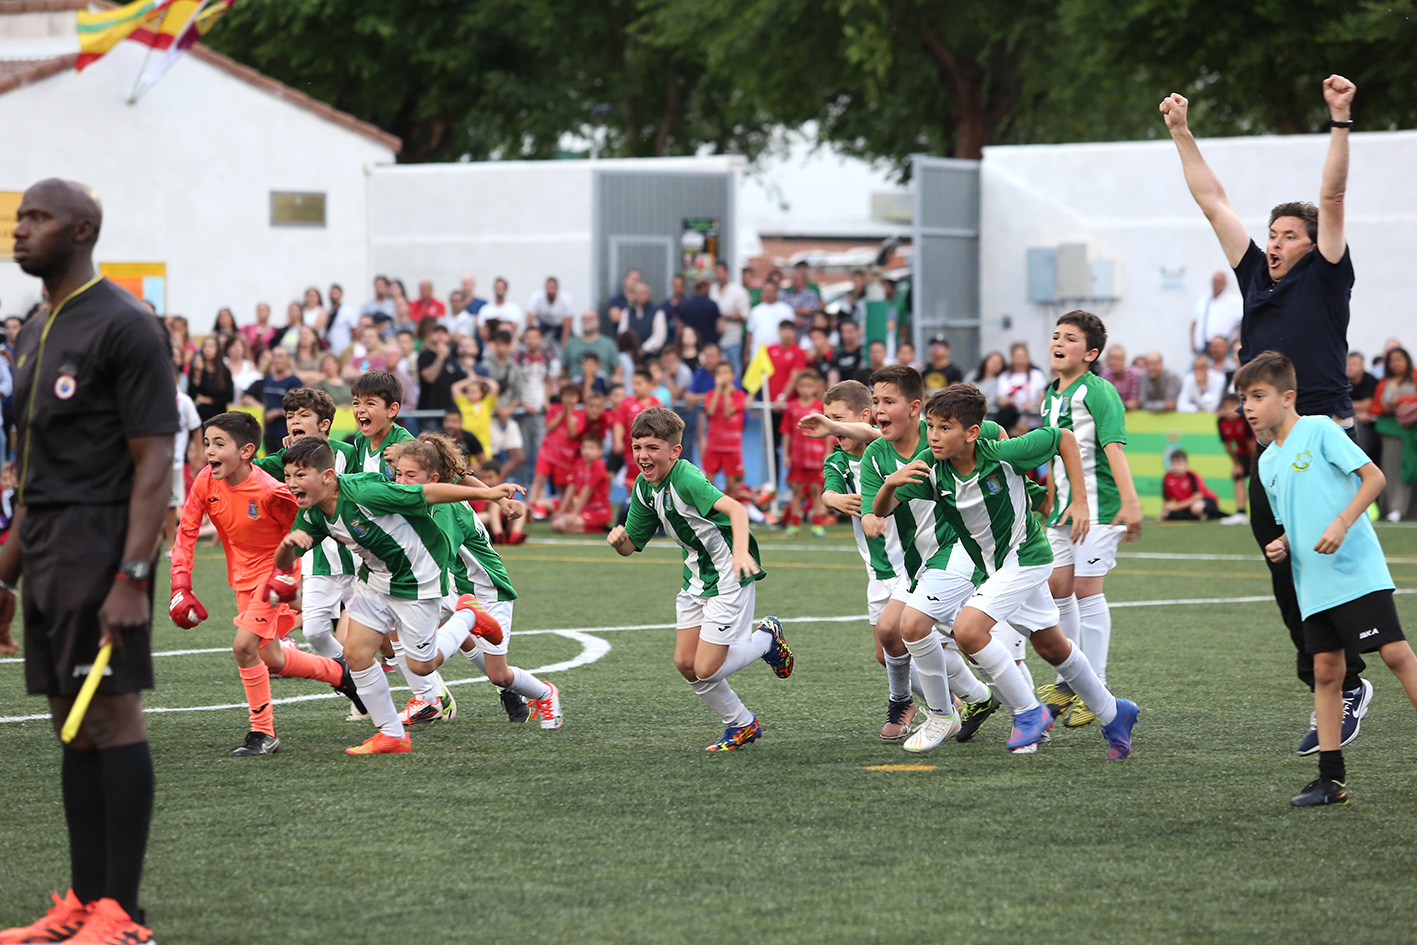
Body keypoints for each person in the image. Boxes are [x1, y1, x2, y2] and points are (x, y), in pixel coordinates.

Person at [1162, 74, 1373, 747]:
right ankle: (1330, 678)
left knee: (1323, 564)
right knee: (1283, 567)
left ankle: (1350, 678)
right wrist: (1180, 132)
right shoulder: (1255, 275)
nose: (1274, 243)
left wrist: (1339, 119)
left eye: (1287, 235)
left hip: (1322, 437)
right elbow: (1212, 200)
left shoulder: (1326, 274)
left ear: (1312, 243)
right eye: (1272, 234)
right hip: (1271, 449)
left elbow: (1331, 197)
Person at [0, 178, 177, 945]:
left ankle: (123, 915)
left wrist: (133, 575)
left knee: (110, 713)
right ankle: (81, 901)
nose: (20, 230)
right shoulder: (35, 327)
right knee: (70, 724)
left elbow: (154, 460)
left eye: (37, 218)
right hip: (44, 547)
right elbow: (34, 473)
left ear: (81, 230)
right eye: (19, 218)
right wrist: (4, 574)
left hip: (102, 545)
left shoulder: (127, 324)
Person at [873, 385, 1140, 758]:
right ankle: (1114, 712)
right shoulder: (931, 467)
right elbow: (881, 510)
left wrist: (1079, 500)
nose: (933, 435)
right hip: (995, 567)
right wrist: (890, 483)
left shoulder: (1004, 453)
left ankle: (1028, 712)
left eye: (945, 427)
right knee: (1051, 646)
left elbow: (1063, 438)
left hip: (1027, 556)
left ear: (972, 432)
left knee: (968, 629)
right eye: (930, 426)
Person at [1240, 351, 1417, 807]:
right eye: (1244, 399)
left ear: (1288, 397)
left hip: (1355, 568)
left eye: (1258, 396)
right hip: (1312, 581)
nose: (1249, 407)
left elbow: (1374, 478)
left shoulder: (1319, 429)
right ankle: (1330, 781)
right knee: (1326, 672)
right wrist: (1282, 543)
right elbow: (1294, 519)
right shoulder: (1267, 462)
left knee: (1395, 654)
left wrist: (1341, 524)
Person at [273, 438, 519, 754]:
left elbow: (426, 493)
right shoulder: (311, 513)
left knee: (422, 667)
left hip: (418, 575)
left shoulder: (363, 493)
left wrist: (488, 494)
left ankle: (469, 614)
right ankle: (392, 735)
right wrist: (287, 545)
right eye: (288, 476)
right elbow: (284, 561)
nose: (292, 483)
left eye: (300, 475)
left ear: (328, 476)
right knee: (356, 654)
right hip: (375, 579)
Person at [170, 411, 364, 753]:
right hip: (243, 579)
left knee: (244, 647)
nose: (209, 451)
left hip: (274, 575)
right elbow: (186, 530)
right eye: (207, 443)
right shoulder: (205, 480)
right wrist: (180, 584)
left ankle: (263, 733)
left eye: (219, 444)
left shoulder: (271, 492)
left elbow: (299, 535)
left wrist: (286, 577)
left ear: (246, 451)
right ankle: (340, 674)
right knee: (272, 658)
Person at [606, 408, 791, 750]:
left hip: (727, 575)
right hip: (695, 578)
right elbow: (631, 546)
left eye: (652, 448)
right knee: (686, 665)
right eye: (637, 448)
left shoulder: (687, 478)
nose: (643, 456)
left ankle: (766, 638)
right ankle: (742, 723)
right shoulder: (643, 487)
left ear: (674, 451)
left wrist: (740, 553)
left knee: (706, 669)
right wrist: (619, 542)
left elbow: (737, 510)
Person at [389, 435, 557, 726]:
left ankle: (545, 693)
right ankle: (429, 700)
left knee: (499, 674)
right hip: (456, 585)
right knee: (395, 623)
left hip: (487, 591)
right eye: (398, 474)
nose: (401, 482)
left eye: (410, 475)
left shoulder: (446, 508)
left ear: (434, 478)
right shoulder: (437, 493)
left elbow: (436, 557)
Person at [1036, 311, 1143, 729]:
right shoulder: (1049, 396)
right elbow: (1053, 452)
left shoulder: (1099, 391)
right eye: (1055, 335)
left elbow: (1114, 448)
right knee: (1057, 588)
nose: (1058, 343)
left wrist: (1130, 504)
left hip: (1099, 507)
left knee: (1085, 591)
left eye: (1070, 338)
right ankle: (1069, 679)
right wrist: (1047, 497)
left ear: (1091, 353)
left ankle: (1096, 684)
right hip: (1064, 509)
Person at [1370, 346, 1417, 522]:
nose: (1396, 364)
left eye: (1399, 359)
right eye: (1392, 360)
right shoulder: (1385, 383)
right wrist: (1390, 406)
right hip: (1392, 432)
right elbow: (1375, 408)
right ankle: (1394, 508)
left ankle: (1410, 510)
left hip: (1412, 432)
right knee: (1392, 469)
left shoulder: (1415, 377)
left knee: (1410, 468)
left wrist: (1400, 401)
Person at [779, 370, 828, 537]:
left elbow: (828, 431)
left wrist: (827, 452)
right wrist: (786, 454)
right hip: (797, 456)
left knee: (816, 489)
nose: (806, 389)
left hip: (816, 456)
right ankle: (794, 524)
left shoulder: (820, 407)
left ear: (815, 388)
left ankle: (818, 524)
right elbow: (787, 433)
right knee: (796, 491)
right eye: (802, 386)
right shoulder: (791, 407)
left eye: (809, 386)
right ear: (797, 387)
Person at [350, 370, 414, 475]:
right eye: (356, 403)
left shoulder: (405, 444)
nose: (360, 410)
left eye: (370, 404)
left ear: (392, 410)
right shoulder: (360, 439)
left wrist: (407, 456)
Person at [166, 377, 202, 552]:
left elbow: (196, 427)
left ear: (177, 379)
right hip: (155, 461)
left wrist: (199, 455)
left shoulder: (184, 401)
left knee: (172, 504)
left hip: (175, 461)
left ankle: (169, 545)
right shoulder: (154, 397)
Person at [702, 362, 747, 498]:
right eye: (719, 373)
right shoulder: (711, 394)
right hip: (714, 444)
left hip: (731, 446)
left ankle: (729, 510)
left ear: (732, 376)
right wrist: (718, 390)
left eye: (726, 373)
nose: (722, 376)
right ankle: (708, 510)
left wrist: (727, 394)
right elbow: (710, 411)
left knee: (732, 484)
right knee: (708, 481)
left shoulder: (739, 395)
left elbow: (728, 413)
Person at [611, 370, 662, 487]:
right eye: (633, 383)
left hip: (652, 451)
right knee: (634, 480)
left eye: (639, 383)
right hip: (632, 450)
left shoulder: (657, 404)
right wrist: (618, 440)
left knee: (652, 479)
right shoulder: (626, 402)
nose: (635, 387)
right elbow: (619, 423)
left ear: (649, 385)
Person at [552, 436, 612, 534]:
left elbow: (587, 490)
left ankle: (599, 528)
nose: (587, 451)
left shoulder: (599, 465)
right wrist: (561, 511)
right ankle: (593, 527)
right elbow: (571, 489)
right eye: (584, 447)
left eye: (591, 448)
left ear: (600, 451)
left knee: (567, 525)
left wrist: (575, 513)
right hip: (585, 510)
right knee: (556, 525)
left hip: (599, 511)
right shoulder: (579, 463)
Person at [416, 324, 468, 431]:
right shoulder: (425, 355)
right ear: (431, 336)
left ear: (448, 337)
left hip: (448, 413)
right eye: (436, 332)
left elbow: (462, 381)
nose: (440, 335)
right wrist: (440, 357)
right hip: (429, 412)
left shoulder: (452, 359)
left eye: (444, 333)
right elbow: (429, 378)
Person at [1216, 391, 1255, 525]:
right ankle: (1241, 512)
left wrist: (1254, 464)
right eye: (1226, 407)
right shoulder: (1221, 422)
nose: (1229, 411)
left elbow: (1251, 443)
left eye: (1233, 406)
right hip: (1242, 452)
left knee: (1260, 480)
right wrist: (1237, 464)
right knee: (1237, 476)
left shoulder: (1245, 419)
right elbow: (1228, 445)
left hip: (1258, 451)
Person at [256, 347, 303, 454]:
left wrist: (276, 412)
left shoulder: (294, 381)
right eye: (274, 356)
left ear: (287, 359)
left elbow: (298, 406)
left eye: (280, 356)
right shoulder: (269, 379)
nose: (276, 360)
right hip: (269, 432)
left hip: (285, 431)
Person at [995, 342, 1047, 432]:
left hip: (1033, 423)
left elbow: (1042, 395)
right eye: (1017, 357)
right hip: (1012, 423)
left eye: (1022, 356)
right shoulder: (1005, 376)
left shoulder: (1037, 375)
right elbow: (1000, 399)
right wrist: (1008, 402)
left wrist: (1034, 405)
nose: (1020, 360)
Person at [1190, 270, 1243, 356]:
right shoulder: (1203, 299)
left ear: (1225, 283)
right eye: (1215, 281)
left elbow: (1245, 320)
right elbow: (1194, 322)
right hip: (1202, 349)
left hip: (1223, 350)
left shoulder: (1234, 301)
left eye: (1219, 282)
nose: (1216, 284)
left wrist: (1238, 339)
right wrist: (1193, 343)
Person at [709, 262, 750, 369]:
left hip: (732, 341)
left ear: (727, 273)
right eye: (717, 272)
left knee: (734, 370)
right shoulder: (712, 289)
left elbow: (744, 315)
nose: (719, 275)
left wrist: (725, 316)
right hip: (715, 340)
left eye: (721, 272)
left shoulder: (738, 291)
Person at [1161, 450, 1223, 521]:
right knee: (1171, 514)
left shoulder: (1192, 476)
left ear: (1186, 464)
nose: (1176, 468)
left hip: (1206, 501)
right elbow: (1167, 500)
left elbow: (1197, 497)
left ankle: (1213, 513)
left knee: (1196, 508)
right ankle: (1202, 517)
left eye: (1179, 464)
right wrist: (1165, 512)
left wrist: (1176, 507)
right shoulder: (1168, 477)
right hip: (1187, 506)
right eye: (1173, 464)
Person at [562, 310, 620, 382]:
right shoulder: (571, 343)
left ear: (598, 321)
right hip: (575, 385)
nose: (587, 321)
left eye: (590, 318)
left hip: (602, 385)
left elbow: (618, 369)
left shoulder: (609, 344)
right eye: (584, 319)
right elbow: (563, 369)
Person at [187, 333, 233, 423]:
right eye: (205, 346)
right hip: (200, 414)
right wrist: (197, 372)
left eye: (211, 346)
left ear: (217, 349)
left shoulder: (224, 371)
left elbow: (229, 396)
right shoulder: (197, 368)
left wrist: (209, 400)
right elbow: (192, 393)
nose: (208, 350)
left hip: (219, 415)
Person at [745, 281, 793, 367]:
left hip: (780, 354)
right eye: (766, 291)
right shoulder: (756, 311)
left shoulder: (786, 309)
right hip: (758, 353)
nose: (768, 294)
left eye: (771, 291)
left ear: (776, 292)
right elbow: (750, 334)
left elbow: (791, 333)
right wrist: (747, 354)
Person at [1347, 351, 1380, 462]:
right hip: (1352, 418)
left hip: (1369, 422)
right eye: (1348, 364)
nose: (1350, 367)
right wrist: (1356, 412)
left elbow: (1368, 405)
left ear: (1362, 367)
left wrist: (1349, 407)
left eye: (1354, 364)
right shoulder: (1341, 381)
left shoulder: (1370, 380)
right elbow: (1337, 403)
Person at [676, 277, 721, 348]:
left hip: (690, 345)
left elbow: (679, 330)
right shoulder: (712, 305)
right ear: (705, 287)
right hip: (709, 345)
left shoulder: (685, 305)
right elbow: (721, 328)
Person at [829, 320, 872, 387]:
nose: (847, 335)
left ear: (858, 332)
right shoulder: (837, 354)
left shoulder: (863, 352)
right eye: (844, 332)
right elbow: (833, 375)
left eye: (850, 332)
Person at [1098, 345, 1143, 410]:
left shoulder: (1135, 375)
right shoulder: (1104, 376)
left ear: (1124, 360)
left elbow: (1134, 402)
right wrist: (1125, 404)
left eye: (1118, 358)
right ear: (1107, 360)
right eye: (1112, 358)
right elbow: (1103, 401)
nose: (1114, 362)